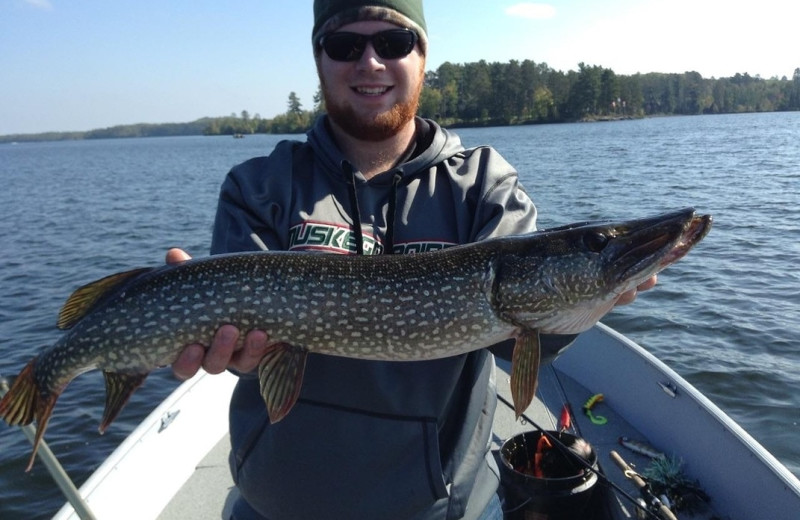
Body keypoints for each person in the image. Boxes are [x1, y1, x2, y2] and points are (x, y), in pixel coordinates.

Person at [167, 1, 655, 518]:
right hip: (278, 502)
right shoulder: (259, 187)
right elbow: (243, 347)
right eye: (345, 45)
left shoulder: (483, 186)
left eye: (394, 43)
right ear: (319, 61)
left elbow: (523, 341)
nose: (370, 63)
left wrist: (585, 300)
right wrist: (244, 357)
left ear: (422, 57)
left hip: (436, 506)